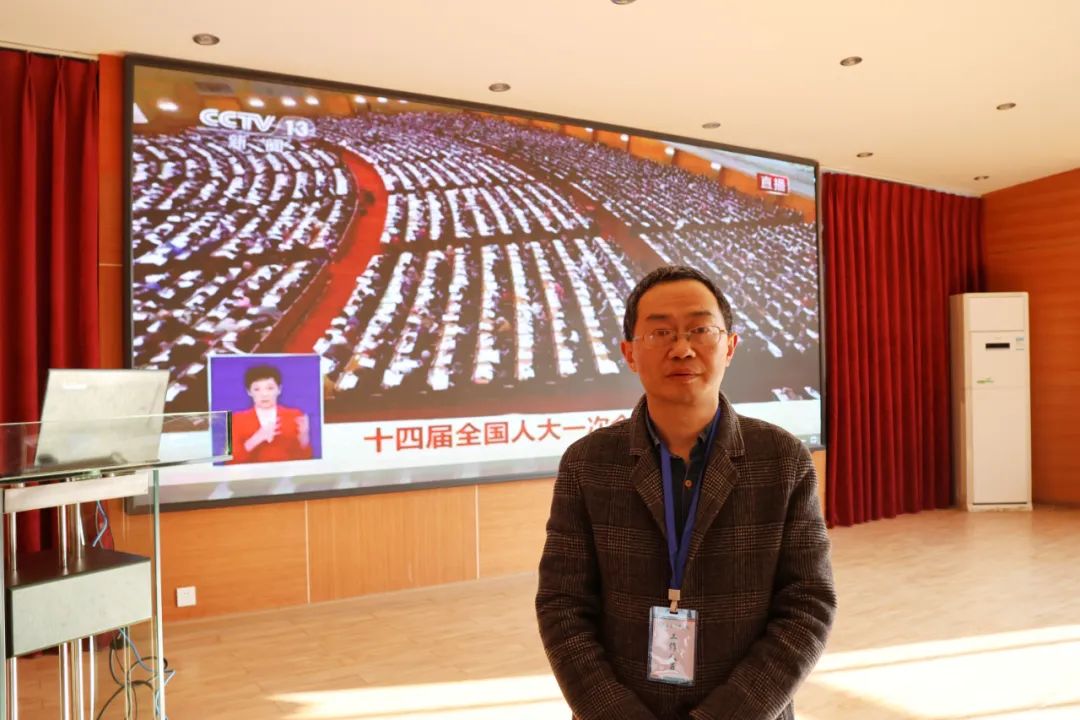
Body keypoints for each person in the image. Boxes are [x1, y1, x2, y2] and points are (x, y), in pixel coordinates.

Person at [536, 265, 836, 720]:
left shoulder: (782, 458)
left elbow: (808, 606)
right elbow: (563, 607)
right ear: (629, 353)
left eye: (700, 329)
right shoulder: (588, 463)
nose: (681, 348)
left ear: (730, 346)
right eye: (660, 333)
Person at [228, 364, 313, 464]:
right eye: (257, 389)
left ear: (279, 389)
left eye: (270, 388)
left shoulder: (294, 415)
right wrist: (256, 439)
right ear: (249, 392)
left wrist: (304, 437)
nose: (264, 394)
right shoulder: (237, 419)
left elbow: (306, 460)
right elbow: (230, 463)